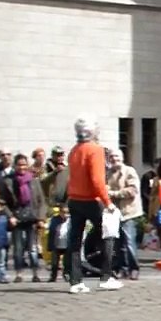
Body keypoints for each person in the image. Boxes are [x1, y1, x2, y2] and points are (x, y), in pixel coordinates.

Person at [65, 118, 121, 293]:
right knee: (107, 234)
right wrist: (108, 202)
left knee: (74, 241)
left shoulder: (74, 150)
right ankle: (106, 275)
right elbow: (97, 180)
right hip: (91, 199)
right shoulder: (95, 150)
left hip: (74, 199)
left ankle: (75, 281)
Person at [1, 153, 47, 283]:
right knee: (18, 249)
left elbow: (41, 201)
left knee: (32, 249)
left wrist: (41, 218)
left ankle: (35, 273)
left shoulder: (34, 180)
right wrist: (10, 216)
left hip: (32, 217)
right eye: (19, 165)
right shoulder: (8, 181)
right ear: (15, 166)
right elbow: (2, 202)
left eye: (24, 164)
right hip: (17, 217)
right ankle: (19, 273)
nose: (22, 167)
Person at [106, 150, 143, 280]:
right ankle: (122, 268)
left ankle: (134, 268)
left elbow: (132, 191)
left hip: (128, 212)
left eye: (116, 156)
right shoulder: (108, 173)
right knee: (118, 243)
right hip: (114, 212)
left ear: (121, 158)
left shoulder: (129, 171)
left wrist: (113, 193)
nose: (114, 159)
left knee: (129, 242)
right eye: (111, 157)